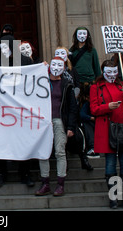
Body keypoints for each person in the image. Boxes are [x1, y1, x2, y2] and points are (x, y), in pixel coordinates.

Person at [90, 60, 123, 209]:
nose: (112, 75)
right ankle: (114, 197)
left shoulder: (122, 86)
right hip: (107, 129)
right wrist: (107, 107)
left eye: (114, 72)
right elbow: (93, 109)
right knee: (110, 164)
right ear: (103, 72)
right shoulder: (95, 87)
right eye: (108, 72)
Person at [35, 57, 78, 197]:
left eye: (60, 65)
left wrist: (71, 126)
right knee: (43, 153)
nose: (56, 67)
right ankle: (45, 183)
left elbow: (72, 108)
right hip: (43, 122)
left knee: (60, 152)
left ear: (64, 68)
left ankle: (60, 184)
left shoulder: (67, 85)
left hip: (59, 121)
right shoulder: (41, 81)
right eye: (54, 64)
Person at [0, 34, 34, 187]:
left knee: (22, 142)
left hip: (20, 109)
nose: (3, 50)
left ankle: (25, 172)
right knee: (1, 142)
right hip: (0, 109)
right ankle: (1, 173)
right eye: (1, 48)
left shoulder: (25, 61)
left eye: (6, 47)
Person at [78, 82, 99, 158]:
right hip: (91, 123)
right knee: (87, 124)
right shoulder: (87, 104)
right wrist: (91, 118)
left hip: (99, 123)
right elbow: (82, 115)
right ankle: (92, 148)